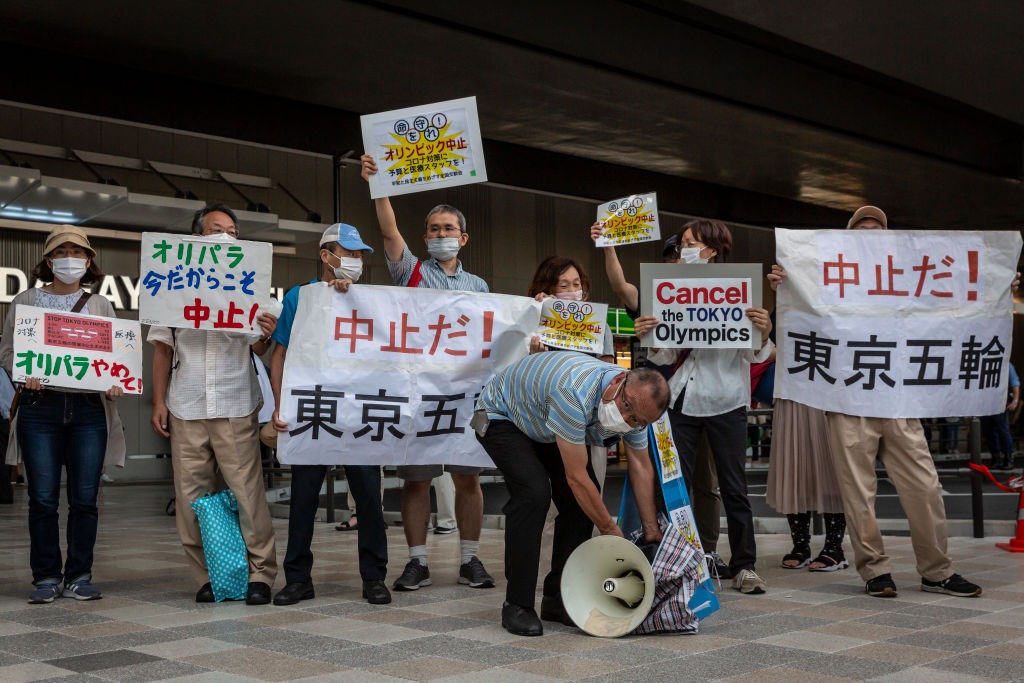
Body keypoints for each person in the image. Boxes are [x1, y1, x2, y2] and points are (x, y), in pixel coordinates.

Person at [769, 205, 984, 598]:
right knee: (857, 493)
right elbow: (797, 319)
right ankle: (875, 571)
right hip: (848, 400)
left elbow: (952, 307)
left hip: (899, 401)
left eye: (878, 229)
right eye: (861, 229)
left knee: (925, 487)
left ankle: (937, 570)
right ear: (847, 239)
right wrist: (785, 285)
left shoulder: (908, 280)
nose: (870, 234)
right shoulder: (827, 277)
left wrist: (994, 283)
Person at [604, 219, 774, 593]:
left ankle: (745, 566)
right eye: (681, 244)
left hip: (727, 399)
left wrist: (763, 330)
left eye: (690, 243)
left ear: (712, 250)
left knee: (733, 486)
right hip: (680, 401)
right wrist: (648, 332)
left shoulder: (739, 291)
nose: (683, 250)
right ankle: (680, 561)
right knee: (674, 486)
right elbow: (664, 351)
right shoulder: (669, 291)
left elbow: (756, 352)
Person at [361, 153, 494, 592]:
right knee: (416, 481)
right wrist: (378, 184)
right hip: (417, 394)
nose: (441, 235)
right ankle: (417, 561)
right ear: (425, 236)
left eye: (448, 229)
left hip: (461, 396)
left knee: (466, 477)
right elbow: (388, 229)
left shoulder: (479, 288)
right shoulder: (410, 271)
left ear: (464, 238)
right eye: (434, 229)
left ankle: (470, 559)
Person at [475, 351, 668, 636]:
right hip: (501, 415)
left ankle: (557, 599)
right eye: (625, 407)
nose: (626, 419)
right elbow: (576, 478)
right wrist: (611, 531)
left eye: (636, 420)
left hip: (543, 423)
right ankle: (517, 605)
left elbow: (640, 465)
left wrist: (652, 531)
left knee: (581, 504)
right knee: (533, 494)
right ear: (618, 380)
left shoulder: (640, 410)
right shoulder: (572, 390)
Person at [148, 205, 279, 605]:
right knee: (190, 496)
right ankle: (206, 575)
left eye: (230, 231)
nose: (223, 236)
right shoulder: (172, 288)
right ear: (196, 239)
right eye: (214, 230)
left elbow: (256, 348)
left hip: (235, 400)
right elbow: (162, 350)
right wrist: (159, 401)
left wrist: (265, 335)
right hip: (185, 402)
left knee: (247, 492)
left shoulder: (254, 289)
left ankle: (260, 573)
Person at [1, 225, 127, 603]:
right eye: (60, 252)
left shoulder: (100, 305)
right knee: (42, 498)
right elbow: (8, 352)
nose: (69, 258)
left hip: (89, 408)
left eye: (77, 252)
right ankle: (45, 577)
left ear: (89, 262)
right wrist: (27, 375)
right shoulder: (25, 301)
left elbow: (115, 354)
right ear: (48, 259)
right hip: (41, 407)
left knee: (85, 497)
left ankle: (79, 575)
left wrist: (115, 378)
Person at [596, 228, 730, 579]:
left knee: (705, 482)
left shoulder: (718, 296)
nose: (676, 260)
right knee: (660, 476)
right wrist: (609, 247)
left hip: (704, 399)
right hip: (658, 406)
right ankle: (664, 545)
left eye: (681, 253)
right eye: (671, 256)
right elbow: (620, 287)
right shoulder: (656, 298)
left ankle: (708, 550)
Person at [270, 223, 391, 605]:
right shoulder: (299, 298)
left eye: (358, 255)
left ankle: (374, 577)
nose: (355, 261)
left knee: (369, 497)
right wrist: (279, 404)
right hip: (312, 410)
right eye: (348, 253)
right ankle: (298, 578)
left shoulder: (369, 298)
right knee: (304, 498)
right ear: (326, 256)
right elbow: (281, 354)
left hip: (357, 413)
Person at [980, 363, 1019, 469]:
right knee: (988, 431)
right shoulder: (983, 363)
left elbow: (1015, 382)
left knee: (1003, 430)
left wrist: (1015, 401)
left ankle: (1008, 457)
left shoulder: (1007, 364)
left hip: (1000, 400)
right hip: (985, 401)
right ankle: (995, 457)